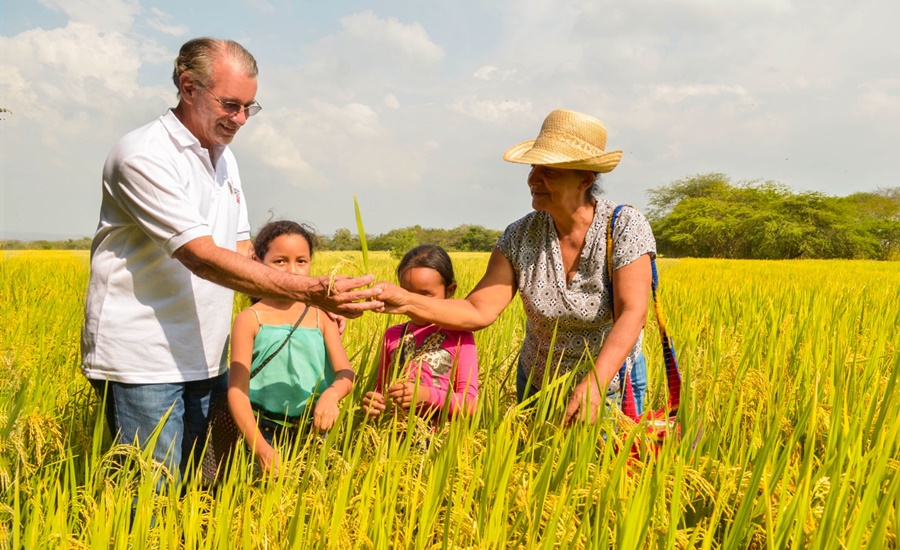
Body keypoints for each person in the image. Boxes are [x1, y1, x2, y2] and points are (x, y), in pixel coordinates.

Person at [81, 37, 381, 478]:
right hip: (143, 358)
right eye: (230, 104)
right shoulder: (144, 155)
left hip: (205, 353)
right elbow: (202, 257)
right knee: (151, 491)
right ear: (188, 87)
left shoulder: (225, 158)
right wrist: (315, 290)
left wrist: (309, 304)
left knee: (204, 480)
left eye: (249, 107)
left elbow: (242, 251)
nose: (240, 119)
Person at [377, 109, 655, 424]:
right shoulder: (519, 235)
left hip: (609, 382)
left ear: (585, 179)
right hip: (537, 379)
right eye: (533, 167)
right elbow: (477, 310)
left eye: (549, 171)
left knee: (604, 468)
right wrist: (406, 300)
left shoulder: (624, 226)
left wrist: (595, 381)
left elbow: (634, 312)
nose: (533, 179)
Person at [227, 221, 354, 475]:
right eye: (280, 261)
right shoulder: (250, 319)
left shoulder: (322, 316)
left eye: (301, 261)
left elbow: (346, 373)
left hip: (315, 430)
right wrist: (260, 448)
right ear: (258, 262)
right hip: (262, 431)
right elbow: (237, 391)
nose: (292, 271)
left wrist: (330, 396)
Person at [362, 245, 478, 422]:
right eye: (406, 294)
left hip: (442, 442)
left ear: (450, 291)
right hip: (395, 439)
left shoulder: (461, 336)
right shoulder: (392, 335)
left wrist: (427, 395)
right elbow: (382, 388)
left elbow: (470, 404)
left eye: (425, 295)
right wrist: (374, 402)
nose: (414, 302)